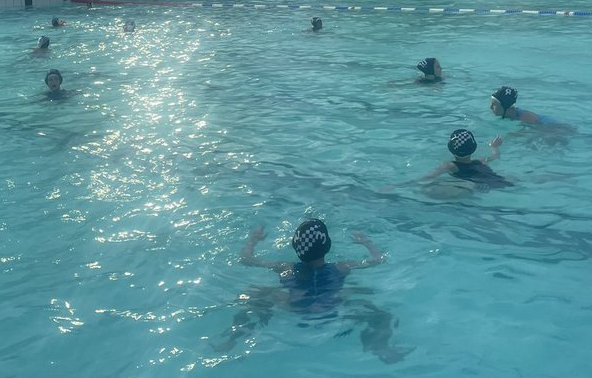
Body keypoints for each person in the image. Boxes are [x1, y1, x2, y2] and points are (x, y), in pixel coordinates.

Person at [213, 220, 409, 364]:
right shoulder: (342, 266)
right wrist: (366, 242)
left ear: (296, 247)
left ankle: (233, 339)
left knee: (254, 292)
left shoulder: (284, 267)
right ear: (327, 246)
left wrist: (253, 240)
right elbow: (378, 260)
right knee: (373, 306)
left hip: (294, 306)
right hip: (331, 306)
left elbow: (247, 259)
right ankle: (381, 345)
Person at [413, 129, 512, 198]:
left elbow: (427, 178)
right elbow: (496, 156)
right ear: (473, 148)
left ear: (450, 148)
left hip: (475, 184)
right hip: (496, 180)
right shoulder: (481, 161)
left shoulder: (449, 165)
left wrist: (402, 185)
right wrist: (494, 147)